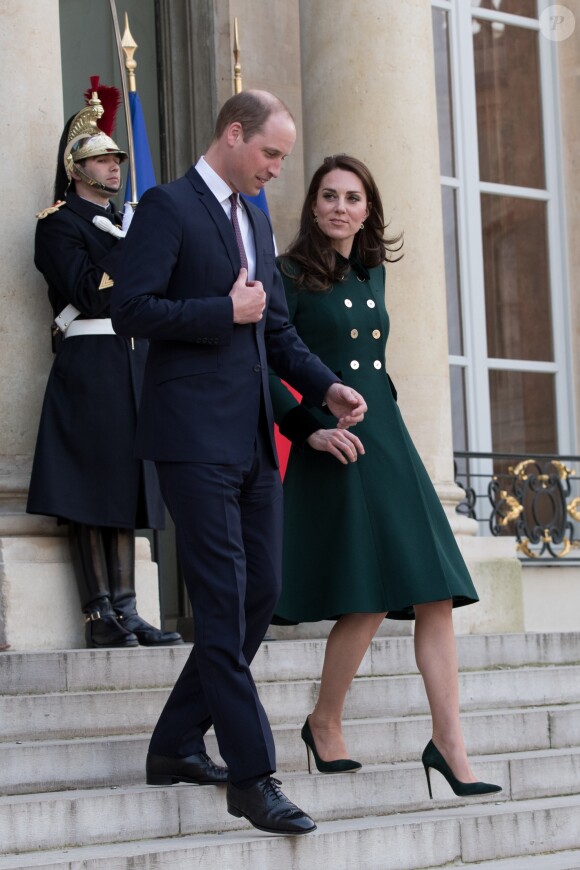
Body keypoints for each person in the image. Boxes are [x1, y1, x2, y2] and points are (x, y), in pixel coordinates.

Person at [110, 91, 367, 836]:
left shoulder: (254, 218)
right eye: (271, 155)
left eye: (283, 158)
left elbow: (276, 330)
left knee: (262, 596)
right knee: (223, 606)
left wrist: (326, 387)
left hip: (253, 441)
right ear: (233, 134)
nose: (277, 171)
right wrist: (220, 312)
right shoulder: (167, 206)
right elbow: (132, 309)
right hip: (190, 439)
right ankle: (254, 778)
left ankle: (175, 743)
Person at [269, 154, 502, 799]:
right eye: (329, 196)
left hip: (388, 436)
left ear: (367, 209)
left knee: (434, 592)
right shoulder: (287, 274)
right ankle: (325, 720)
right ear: (313, 205)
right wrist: (305, 427)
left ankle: (450, 745)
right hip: (335, 441)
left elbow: (373, 361)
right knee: (365, 595)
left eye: (352, 198)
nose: (340, 207)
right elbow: (261, 363)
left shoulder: (371, 270)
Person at [27, 82, 182, 650]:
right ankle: (99, 616)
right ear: (75, 168)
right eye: (100, 159)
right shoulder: (59, 224)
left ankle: (128, 608)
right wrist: (134, 246)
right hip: (89, 360)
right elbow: (90, 293)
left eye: (117, 158)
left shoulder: (122, 224)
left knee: (123, 488)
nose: (114, 167)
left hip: (130, 363)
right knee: (88, 492)